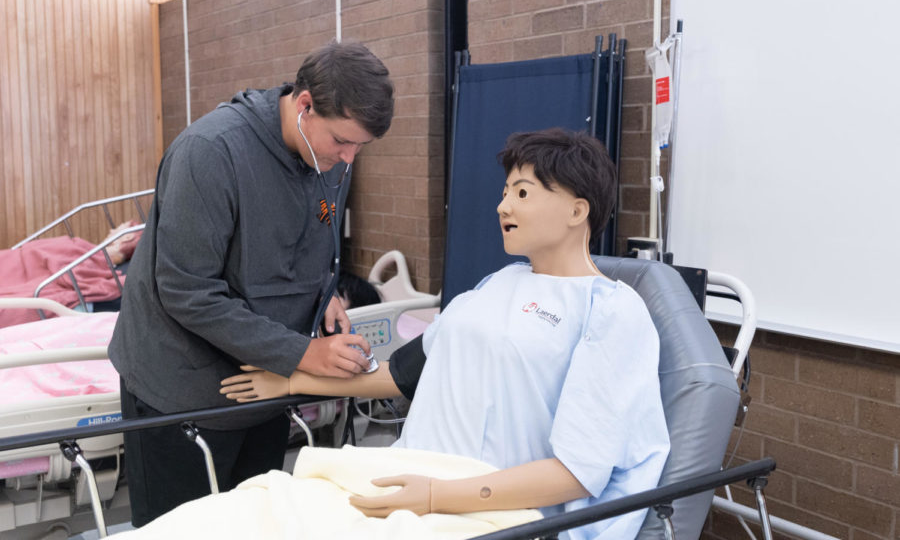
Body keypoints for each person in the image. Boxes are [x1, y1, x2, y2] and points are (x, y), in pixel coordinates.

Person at [220, 128, 671, 539]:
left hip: (486, 512)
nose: (503, 205)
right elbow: (401, 373)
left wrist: (436, 496)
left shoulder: (611, 311)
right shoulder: (495, 285)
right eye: (504, 191)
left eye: (522, 192)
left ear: (578, 210)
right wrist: (292, 381)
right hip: (405, 476)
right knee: (245, 516)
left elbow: (577, 472)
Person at [107, 40, 395, 526]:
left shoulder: (329, 158)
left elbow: (312, 239)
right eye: (342, 142)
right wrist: (306, 355)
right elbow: (187, 292)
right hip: (181, 391)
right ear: (304, 105)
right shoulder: (211, 153)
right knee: (179, 531)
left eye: (359, 147)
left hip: (266, 387)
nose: (348, 159)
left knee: (254, 526)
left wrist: (322, 296)